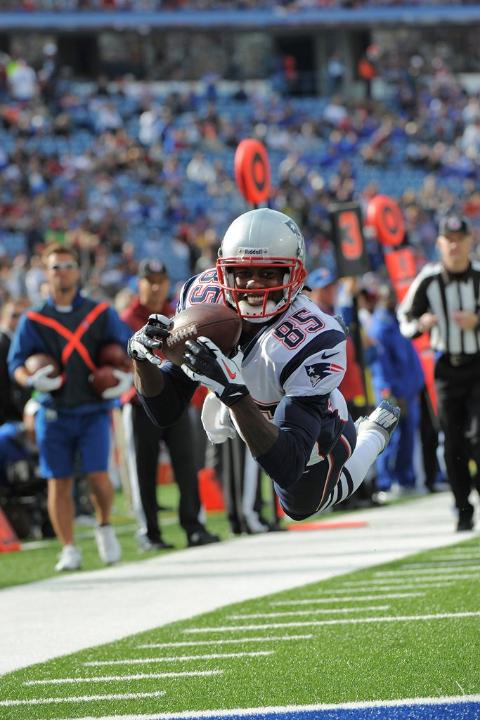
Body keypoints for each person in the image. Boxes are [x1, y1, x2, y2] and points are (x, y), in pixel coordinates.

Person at [126, 208, 400, 522]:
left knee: (299, 505)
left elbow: (286, 465)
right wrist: (142, 359)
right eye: (243, 273)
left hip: (312, 423)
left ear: (293, 275)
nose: (254, 285)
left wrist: (231, 391)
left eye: (268, 273)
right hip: (244, 407)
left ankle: (373, 435)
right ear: (224, 271)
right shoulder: (203, 299)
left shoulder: (315, 336)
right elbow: (165, 410)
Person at [8, 243, 133, 570]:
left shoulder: (99, 312)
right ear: (45, 274)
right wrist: (31, 382)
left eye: (66, 266)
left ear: (78, 271)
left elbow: (124, 351)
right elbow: (17, 364)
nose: (61, 272)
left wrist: (122, 380)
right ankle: (69, 548)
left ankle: (104, 525)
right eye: (55, 267)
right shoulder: (34, 318)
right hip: (53, 410)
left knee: (98, 477)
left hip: (92, 408)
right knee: (58, 481)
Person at [121, 258, 220, 549]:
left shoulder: (177, 313)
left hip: (177, 398)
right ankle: (149, 533)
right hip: (139, 402)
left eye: (160, 281)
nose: (155, 286)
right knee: (143, 469)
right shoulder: (124, 318)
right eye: (149, 281)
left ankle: (194, 526)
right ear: (139, 284)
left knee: (186, 465)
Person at [398, 211, 480, 532]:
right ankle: (462, 507)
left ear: (470, 242)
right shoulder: (429, 279)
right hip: (447, 369)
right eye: (449, 241)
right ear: (440, 244)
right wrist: (421, 324)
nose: (455, 247)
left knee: (479, 435)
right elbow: (404, 317)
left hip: (477, 365)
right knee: (454, 443)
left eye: (460, 240)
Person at [368, 284, 426, 497]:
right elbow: (382, 366)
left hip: (408, 390)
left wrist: (416, 385)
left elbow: (410, 359)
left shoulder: (397, 322)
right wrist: (392, 392)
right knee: (387, 437)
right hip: (393, 391)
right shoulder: (380, 326)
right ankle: (385, 484)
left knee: (407, 438)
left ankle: (404, 480)